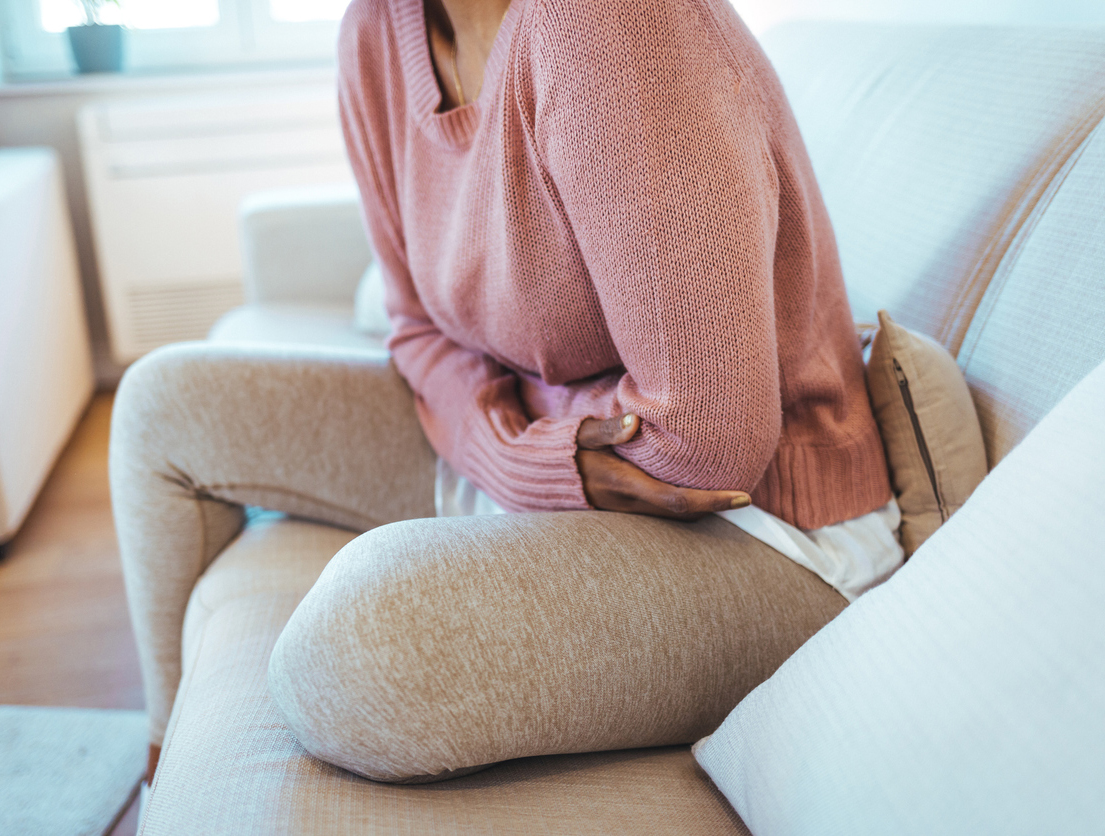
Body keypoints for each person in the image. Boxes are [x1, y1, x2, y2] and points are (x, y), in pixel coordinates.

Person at [266, 0, 902, 783]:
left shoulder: (606, 21)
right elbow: (413, 329)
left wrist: (509, 424)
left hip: (760, 529)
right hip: (576, 460)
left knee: (352, 652)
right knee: (166, 403)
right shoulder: (373, 31)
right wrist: (519, 454)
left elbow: (706, 440)